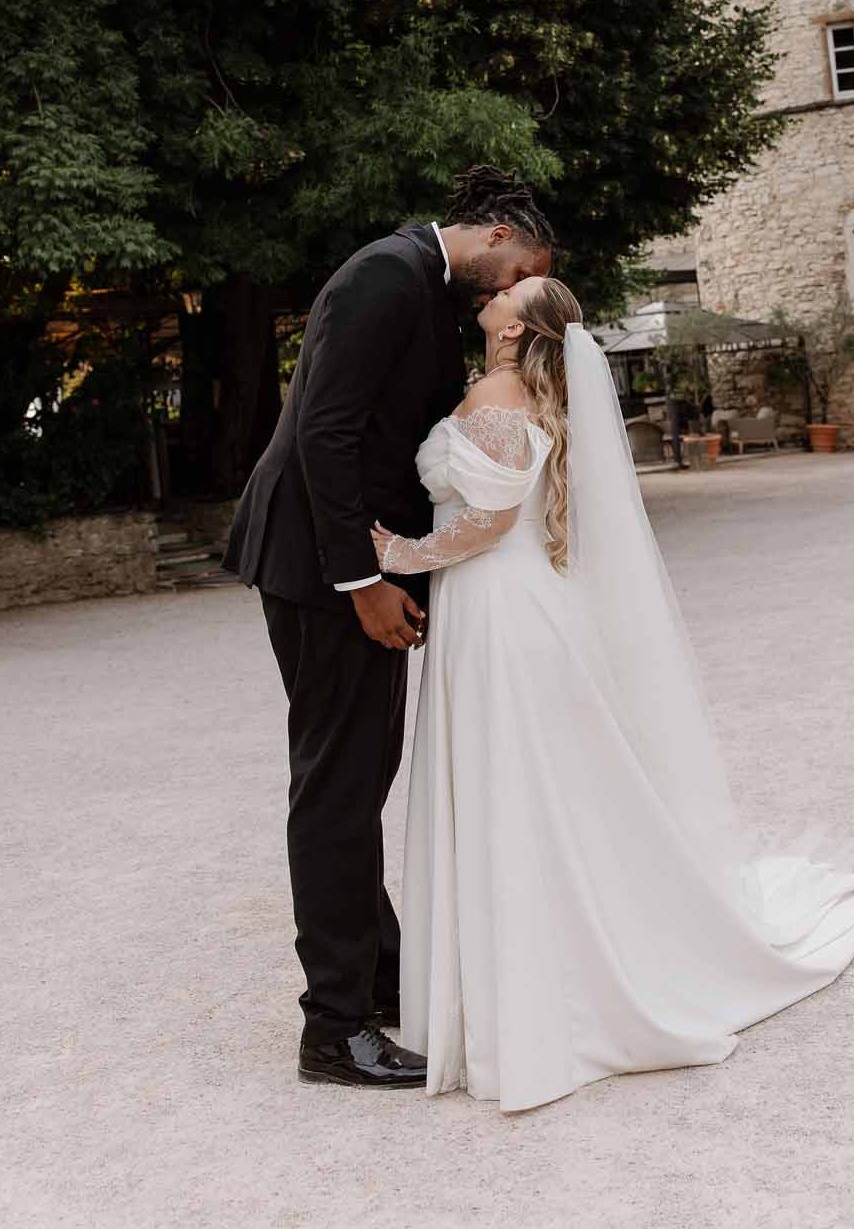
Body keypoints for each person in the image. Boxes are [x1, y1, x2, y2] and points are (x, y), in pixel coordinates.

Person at [372, 279, 854, 1113]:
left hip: (499, 608)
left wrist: (392, 555)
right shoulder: (514, 391)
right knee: (527, 791)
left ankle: (538, 992)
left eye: (516, 291)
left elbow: (490, 522)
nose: (500, 288)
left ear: (515, 332)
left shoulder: (498, 392)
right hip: (497, 606)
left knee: (513, 788)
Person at [222, 168, 554, 1089]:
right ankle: (333, 1029)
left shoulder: (421, 282)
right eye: (517, 268)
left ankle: (379, 976)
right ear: (495, 230)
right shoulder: (384, 273)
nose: (506, 291)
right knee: (337, 783)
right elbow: (323, 432)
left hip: (340, 560)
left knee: (360, 770)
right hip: (321, 568)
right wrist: (364, 577)